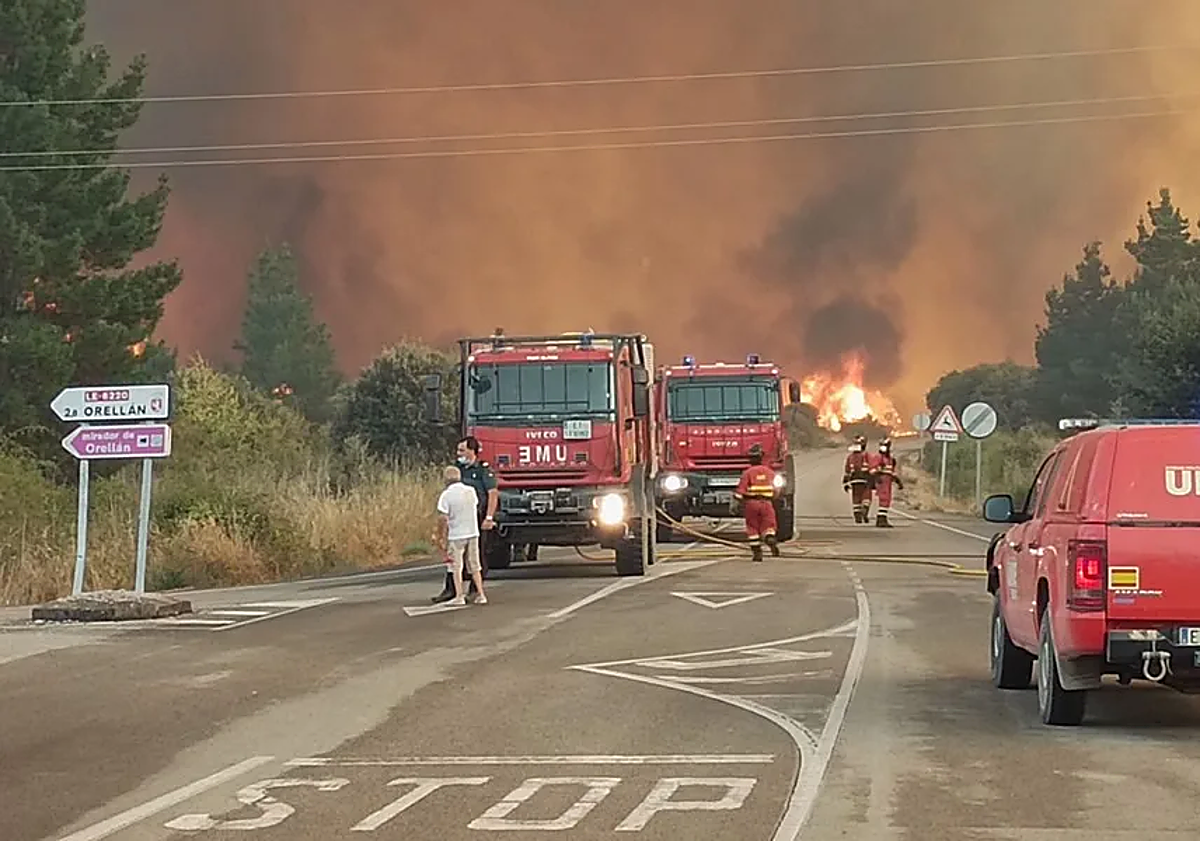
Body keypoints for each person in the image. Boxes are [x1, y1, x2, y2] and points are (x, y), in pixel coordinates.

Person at [431, 436, 499, 603]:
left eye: (462, 450)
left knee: (477, 558)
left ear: (472, 451)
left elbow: (492, 494)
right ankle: (451, 590)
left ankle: (475, 590)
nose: (458, 453)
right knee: (453, 558)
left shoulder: (483, 470)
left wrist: (489, 517)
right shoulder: (458, 470)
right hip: (457, 519)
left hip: (477, 518)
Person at [434, 465, 487, 605]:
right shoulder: (471, 491)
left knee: (456, 566)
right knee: (475, 565)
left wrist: (440, 536)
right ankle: (481, 594)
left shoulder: (446, 495)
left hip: (456, 534)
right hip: (473, 532)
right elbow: (475, 506)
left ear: (445, 479)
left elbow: (443, 518)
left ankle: (459, 596)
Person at [732, 444, 779, 562]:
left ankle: (757, 553)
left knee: (752, 528)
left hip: (751, 504)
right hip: (767, 503)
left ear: (750, 459)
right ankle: (770, 538)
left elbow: (740, 492)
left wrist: (736, 503)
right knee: (769, 525)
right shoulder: (770, 472)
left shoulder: (747, 473)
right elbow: (777, 490)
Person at [869, 437, 904, 528]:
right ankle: (880, 520)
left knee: (887, 499)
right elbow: (873, 469)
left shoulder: (890, 459)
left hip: (888, 481)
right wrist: (876, 477)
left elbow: (891, 471)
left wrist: (898, 481)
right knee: (884, 499)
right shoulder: (878, 457)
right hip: (882, 480)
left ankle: (883, 518)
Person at [842, 434, 873, 524]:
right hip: (865, 480)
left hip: (854, 481)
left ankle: (857, 517)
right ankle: (864, 511)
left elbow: (847, 470)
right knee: (866, 498)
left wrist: (845, 483)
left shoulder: (850, 457)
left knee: (856, 499)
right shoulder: (866, 455)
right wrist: (874, 479)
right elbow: (872, 467)